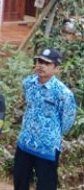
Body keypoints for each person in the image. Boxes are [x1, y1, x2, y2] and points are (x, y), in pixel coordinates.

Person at [13, 48, 77, 190]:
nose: (41, 66)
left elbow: (67, 119)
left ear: (57, 69)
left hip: (47, 147)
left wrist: (51, 133)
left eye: (47, 63)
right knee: (19, 181)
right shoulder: (28, 83)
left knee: (46, 185)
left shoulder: (63, 93)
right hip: (25, 142)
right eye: (39, 61)